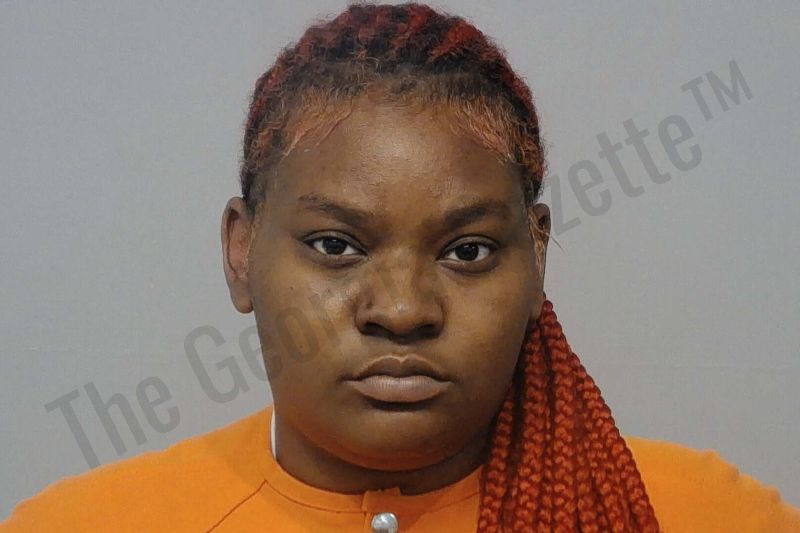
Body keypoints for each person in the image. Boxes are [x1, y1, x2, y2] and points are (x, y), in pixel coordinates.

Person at [3, 3, 799, 532]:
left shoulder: (703, 516)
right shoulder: (79, 525)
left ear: (537, 256)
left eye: (467, 251)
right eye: (336, 245)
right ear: (242, 250)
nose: (403, 309)